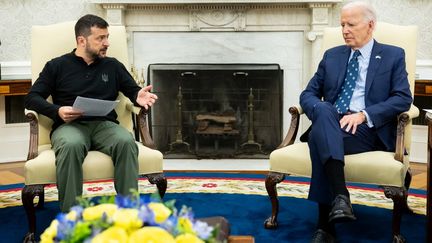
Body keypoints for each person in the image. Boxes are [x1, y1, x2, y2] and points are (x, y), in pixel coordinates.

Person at [299, 1, 412, 242]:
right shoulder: (332, 56)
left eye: (351, 24)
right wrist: (320, 108)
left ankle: (324, 227)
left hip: (366, 129)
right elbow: (307, 94)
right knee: (325, 113)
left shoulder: (393, 55)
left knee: (319, 140)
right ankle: (340, 197)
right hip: (331, 120)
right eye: (342, 24)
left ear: (370, 25)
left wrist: (364, 115)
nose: (345, 30)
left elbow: (403, 98)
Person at [24, 14, 158, 212]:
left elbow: (132, 90)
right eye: (100, 38)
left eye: (107, 37)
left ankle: (128, 212)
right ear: (81, 40)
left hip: (105, 126)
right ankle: (71, 217)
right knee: (71, 145)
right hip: (69, 126)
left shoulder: (112, 65)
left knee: (126, 142)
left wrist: (138, 96)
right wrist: (57, 110)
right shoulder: (57, 66)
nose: (107, 43)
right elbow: (31, 98)